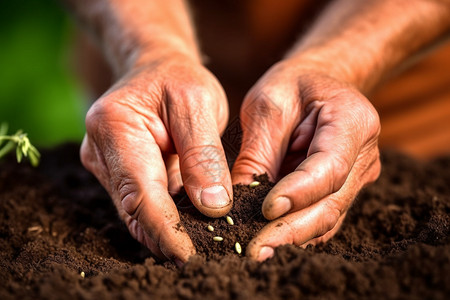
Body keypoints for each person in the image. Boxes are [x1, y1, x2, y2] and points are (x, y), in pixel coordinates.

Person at [63, 0, 450, 266]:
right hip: (148, 105)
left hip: (394, 111)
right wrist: (149, 51)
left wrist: (336, 64)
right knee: (131, 174)